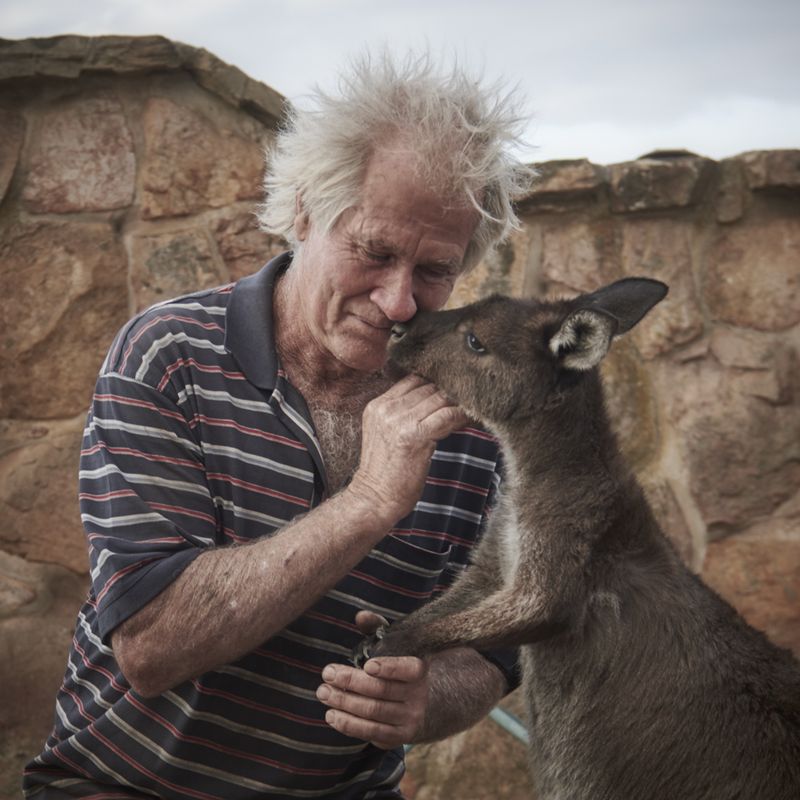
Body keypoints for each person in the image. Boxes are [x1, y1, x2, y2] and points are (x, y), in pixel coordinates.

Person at [24, 51, 534, 798]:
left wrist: (431, 698)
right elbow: (152, 645)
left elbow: (496, 645)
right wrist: (370, 500)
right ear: (303, 210)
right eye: (375, 251)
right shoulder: (168, 354)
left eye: (434, 270)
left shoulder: (476, 419)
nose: (398, 302)